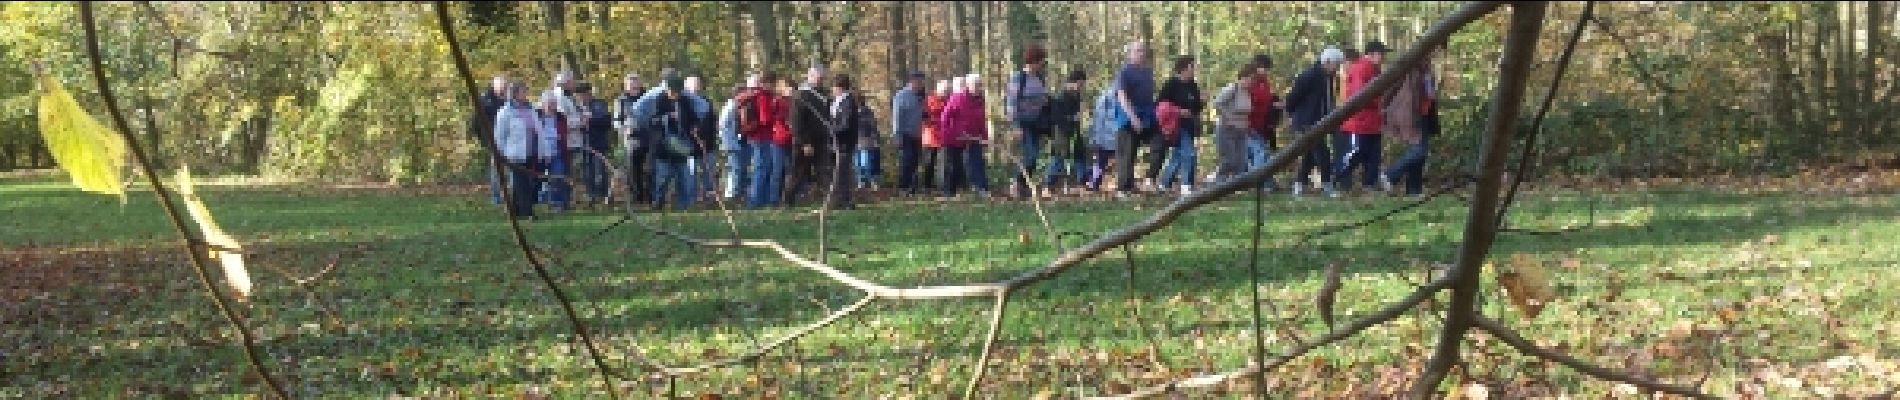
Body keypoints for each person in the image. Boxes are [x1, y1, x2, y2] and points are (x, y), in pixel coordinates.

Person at [1285, 47, 1346, 197]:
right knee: (1323, 154)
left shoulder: (1329, 77)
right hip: (1307, 122)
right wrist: (1293, 116)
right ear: (1327, 62)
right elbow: (1293, 98)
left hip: (1321, 122)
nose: (1337, 68)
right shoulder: (1309, 76)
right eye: (1336, 65)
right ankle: (1327, 185)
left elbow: (1327, 99)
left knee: (1309, 156)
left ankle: (1299, 184)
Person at [1382, 48, 1441, 197]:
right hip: (1410, 114)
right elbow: (1391, 88)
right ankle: (1390, 175)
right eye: (1431, 53)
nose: (1432, 56)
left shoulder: (1428, 70)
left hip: (1425, 114)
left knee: (1420, 154)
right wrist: (1383, 107)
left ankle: (1414, 190)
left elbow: (1429, 93)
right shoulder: (1409, 69)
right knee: (1419, 151)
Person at [1335, 40, 1391, 194]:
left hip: (1373, 122)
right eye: (1382, 54)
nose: (1384, 58)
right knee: (1355, 153)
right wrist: (1379, 101)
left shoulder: (1376, 70)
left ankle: (1369, 185)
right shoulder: (1361, 68)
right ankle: (1336, 177)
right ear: (1373, 54)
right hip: (1359, 121)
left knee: (1373, 156)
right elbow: (1360, 96)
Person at [1006, 46, 1053, 199]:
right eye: (1040, 61)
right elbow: (1011, 103)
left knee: (1034, 156)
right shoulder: (1018, 78)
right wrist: (1015, 126)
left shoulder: (1039, 78)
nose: (1042, 64)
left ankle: (1023, 187)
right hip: (1023, 123)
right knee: (1031, 155)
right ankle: (1016, 183)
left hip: (1037, 123)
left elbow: (1043, 98)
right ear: (1033, 61)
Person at [1113, 41, 1159, 197]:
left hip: (1147, 116)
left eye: (1143, 51)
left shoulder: (1147, 72)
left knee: (1159, 142)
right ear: (1130, 54)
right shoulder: (1124, 72)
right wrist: (1132, 118)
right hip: (1127, 118)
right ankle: (1123, 189)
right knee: (1127, 153)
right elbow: (1122, 96)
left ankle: (1149, 179)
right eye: (1138, 51)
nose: (1142, 53)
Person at [1155, 55, 1205, 196]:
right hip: (1174, 126)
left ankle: (1164, 183)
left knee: (1177, 156)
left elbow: (1195, 108)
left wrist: (1201, 102)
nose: (1194, 70)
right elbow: (1160, 106)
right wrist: (1178, 111)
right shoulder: (1171, 84)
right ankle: (1186, 185)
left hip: (1189, 125)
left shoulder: (1193, 85)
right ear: (1183, 69)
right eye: (1191, 67)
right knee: (1189, 153)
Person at [647, 71, 697, 210]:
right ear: (667, 89)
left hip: (681, 146)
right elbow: (652, 121)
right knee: (663, 178)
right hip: (663, 147)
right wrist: (668, 117)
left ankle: (683, 206)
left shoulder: (685, 101)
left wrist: (694, 127)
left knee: (683, 177)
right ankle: (658, 203)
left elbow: (692, 118)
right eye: (673, 92)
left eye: (678, 92)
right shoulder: (658, 100)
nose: (676, 94)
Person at [493, 82, 542, 220]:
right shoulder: (505, 112)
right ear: (515, 94)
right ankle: (528, 212)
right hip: (514, 153)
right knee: (522, 182)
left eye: (526, 91)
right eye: (522, 91)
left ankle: (516, 210)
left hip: (530, 152)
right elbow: (500, 135)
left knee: (522, 182)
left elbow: (537, 130)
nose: (525, 94)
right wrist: (500, 154)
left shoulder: (530, 109)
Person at [787, 64, 831, 206]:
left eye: (822, 78)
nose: (820, 81)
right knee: (798, 172)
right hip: (805, 142)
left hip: (821, 140)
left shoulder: (823, 95)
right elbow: (796, 121)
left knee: (824, 170)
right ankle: (788, 200)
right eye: (818, 78)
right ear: (810, 76)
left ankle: (828, 201)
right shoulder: (801, 95)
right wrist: (804, 142)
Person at [745, 72, 790, 208]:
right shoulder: (762, 96)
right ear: (767, 83)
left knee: (764, 168)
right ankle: (755, 201)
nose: (774, 86)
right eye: (773, 83)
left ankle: (761, 200)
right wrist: (776, 116)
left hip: (760, 137)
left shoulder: (761, 95)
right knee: (761, 169)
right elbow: (765, 119)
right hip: (760, 137)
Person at [1042, 69, 1088, 195]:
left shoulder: (1076, 95)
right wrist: (1072, 119)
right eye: (1081, 84)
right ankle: (1048, 185)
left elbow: (1076, 114)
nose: (1081, 87)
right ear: (1077, 82)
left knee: (1080, 154)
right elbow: (1057, 118)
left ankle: (1082, 182)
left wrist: (1076, 120)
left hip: (1074, 130)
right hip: (1061, 132)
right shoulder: (1061, 96)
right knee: (1059, 157)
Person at [612, 73, 653, 209]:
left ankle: (650, 198)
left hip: (649, 138)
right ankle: (637, 199)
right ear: (626, 86)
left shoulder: (648, 98)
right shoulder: (621, 101)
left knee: (650, 169)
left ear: (640, 84)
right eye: (630, 85)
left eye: (636, 84)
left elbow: (655, 115)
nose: (634, 87)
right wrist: (624, 129)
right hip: (631, 141)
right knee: (632, 171)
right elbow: (617, 122)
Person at [1246, 54, 1286, 189]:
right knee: (1259, 152)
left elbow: (1267, 101)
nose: (1266, 71)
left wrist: (1276, 105)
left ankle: (1266, 181)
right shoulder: (1249, 83)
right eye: (1264, 68)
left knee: (1263, 153)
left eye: (1267, 69)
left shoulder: (1265, 83)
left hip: (1261, 125)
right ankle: (1259, 182)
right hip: (1248, 125)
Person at [575, 83, 616, 206]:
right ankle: (590, 196)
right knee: (587, 171)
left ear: (589, 93)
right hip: (582, 143)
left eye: (584, 94)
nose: (582, 97)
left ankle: (603, 196)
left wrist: (590, 121)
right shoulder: (575, 107)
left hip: (598, 143)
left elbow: (607, 121)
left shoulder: (600, 104)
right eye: (580, 95)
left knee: (600, 171)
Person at [472, 73, 509, 205]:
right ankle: (496, 196)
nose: (504, 88)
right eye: (502, 86)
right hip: (492, 139)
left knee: (508, 168)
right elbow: (476, 121)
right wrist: (484, 139)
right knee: (497, 168)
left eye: (505, 85)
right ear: (494, 86)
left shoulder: (508, 100)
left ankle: (507, 194)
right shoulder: (485, 100)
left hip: (508, 139)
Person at [826, 74, 862, 209]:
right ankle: (838, 199)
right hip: (836, 143)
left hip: (844, 143)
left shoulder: (848, 102)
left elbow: (845, 124)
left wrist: (831, 130)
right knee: (837, 172)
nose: (832, 90)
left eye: (834, 87)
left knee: (843, 173)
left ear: (840, 88)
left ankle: (845, 201)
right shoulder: (835, 101)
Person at [1211, 68, 1253, 185]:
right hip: (1227, 129)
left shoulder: (1247, 92)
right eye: (1249, 79)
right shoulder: (1232, 89)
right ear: (1243, 78)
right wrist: (1227, 117)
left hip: (1242, 130)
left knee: (1241, 160)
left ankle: (1236, 185)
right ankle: (1219, 183)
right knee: (1229, 159)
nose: (1250, 82)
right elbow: (1217, 103)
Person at [891, 72, 927, 195]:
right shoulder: (901, 95)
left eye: (923, 82)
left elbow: (922, 113)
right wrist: (897, 134)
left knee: (915, 161)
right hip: (905, 134)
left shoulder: (920, 96)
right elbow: (897, 116)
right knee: (907, 161)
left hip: (917, 134)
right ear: (913, 81)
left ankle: (912, 187)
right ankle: (903, 187)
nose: (922, 85)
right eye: (920, 82)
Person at [536, 93, 572, 213]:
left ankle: (558, 204)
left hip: (557, 152)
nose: (552, 106)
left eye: (554, 103)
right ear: (543, 104)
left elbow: (565, 132)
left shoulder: (561, 117)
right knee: (538, 178)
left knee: (558, 176)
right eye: (550, 103)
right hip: (540, 153)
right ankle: (536, 202)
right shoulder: (536, 116)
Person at [935, 76, 970, 198]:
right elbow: (945, 117)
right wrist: (951, 133)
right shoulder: (956, 98)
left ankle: (954, 190)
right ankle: (948, 191)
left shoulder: (963, 99)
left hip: (960, 139)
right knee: (951, 164)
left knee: (957, 164)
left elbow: (963, 119)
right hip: (951, 138)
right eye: (963, 85)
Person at [719, 80, 752, 201]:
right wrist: (730, 143)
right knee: (735, 169)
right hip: (732, 144)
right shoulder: (730, 108)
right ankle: (731, 195)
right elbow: (723, 127)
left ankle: (740, 193)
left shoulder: (740, 107)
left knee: (742, 169)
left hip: (741, 143)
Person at [684, 76, 715, 201]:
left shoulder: (706, 102)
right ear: (686, 86)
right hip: (690, 145)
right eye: (693, 85)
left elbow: (712, 121)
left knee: (709, 171)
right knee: (691, 173)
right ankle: (692, 198)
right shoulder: (684, 102)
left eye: (697, 84)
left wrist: (709, 137)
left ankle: (709, 196)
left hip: (707, 144)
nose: (695, 87)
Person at [921, 80, 951, 193]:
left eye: (948, 91)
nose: (946, 93)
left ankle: (943, 186)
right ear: (938, 90)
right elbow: (924, 118)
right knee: (929, 163)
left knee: (944, 163)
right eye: (945, 91)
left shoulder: (949, 100)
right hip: (930, 137)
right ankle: (926, 186)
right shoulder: (929, 100)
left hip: (944, 137)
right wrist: (938, 121)